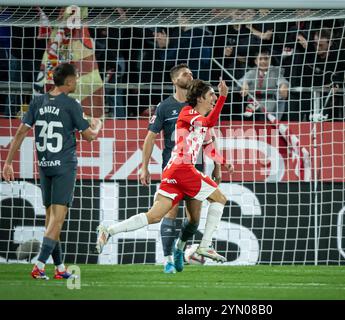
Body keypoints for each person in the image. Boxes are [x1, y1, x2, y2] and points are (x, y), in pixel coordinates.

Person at [96, 79, 231, 272]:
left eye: (216, 96)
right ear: (200, 98)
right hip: (184, 169)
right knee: (220, 198)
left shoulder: (198, 121)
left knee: (154, 216)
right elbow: (210, 121)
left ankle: (108, 231)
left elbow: (207, 144)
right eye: (211, 95)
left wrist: (223, 162)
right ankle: (204, 246)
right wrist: (224, 96)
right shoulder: (188, 113)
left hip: (173, 170)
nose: (214, 99)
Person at [2, 63, 103, 279]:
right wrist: (97, 126)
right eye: (75, 78)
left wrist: (8, 162)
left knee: (51, 220)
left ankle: (59, 269)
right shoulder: (71, 104)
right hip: (64, 166)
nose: (76, 82)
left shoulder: (38, 101)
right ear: (68, 81)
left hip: (45, 166)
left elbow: (20, 132)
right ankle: (39, 265)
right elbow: (89, 137)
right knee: (58, 219)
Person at [139, 64, 232, 273]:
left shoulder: (200, 108)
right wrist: (144, 167)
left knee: (194, 220)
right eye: (184, 74)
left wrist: (218, 165)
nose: (189, 75)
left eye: (191, 72)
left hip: (196, 167)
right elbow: (150, 137)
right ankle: (167, 259)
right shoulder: (164, 107)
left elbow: (209, 138)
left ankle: (181, 247)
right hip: (174, 167)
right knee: (169, 213)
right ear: (174, 80)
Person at [239, 49, 289, 121]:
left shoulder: (275, 72)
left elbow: (282, 80)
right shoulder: (251, 72)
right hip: (253, 106)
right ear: (256, 61)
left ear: (270, 60)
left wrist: (283, 85)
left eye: (266, 59)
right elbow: (242, 80)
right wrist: (244, 84)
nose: (263, 61)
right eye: (260, 59)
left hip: (269, 107)